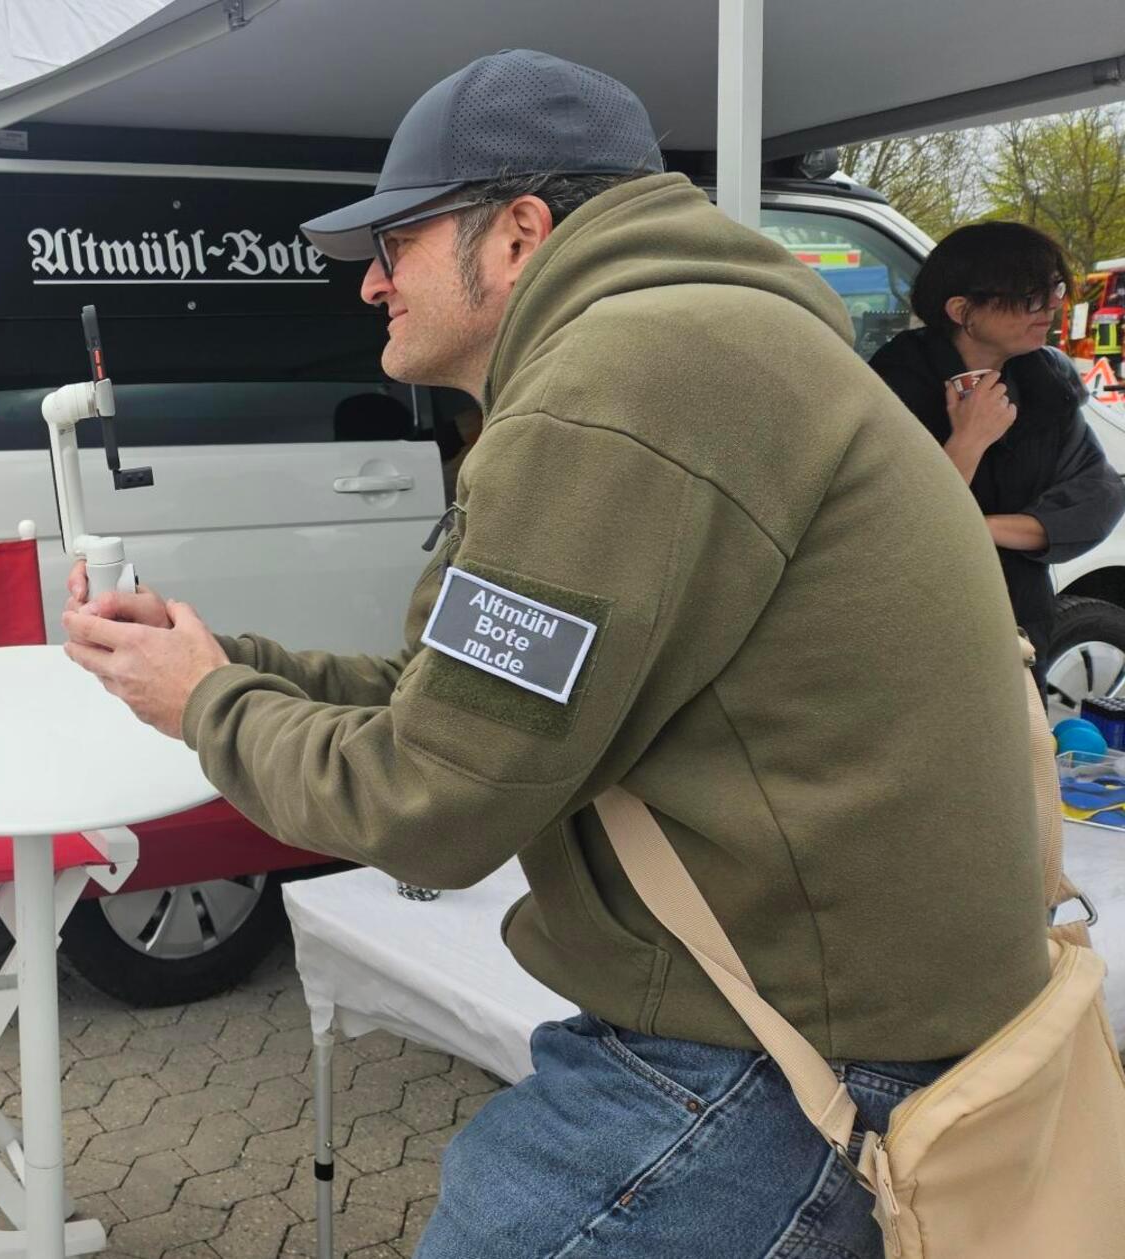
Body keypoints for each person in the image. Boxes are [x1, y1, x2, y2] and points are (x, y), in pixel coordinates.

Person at [61, 50, 1049, 1258]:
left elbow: (430, 806)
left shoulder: (616, 384)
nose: (369, 285)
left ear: (519, 232)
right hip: (827, 1019)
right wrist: (223, 661)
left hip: (778, 1061)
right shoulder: (694, 342)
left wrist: (207, 704)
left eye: (396, 244)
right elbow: (458, 702)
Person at [869, 221, 1124, 661]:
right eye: (1028, 296)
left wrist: (977, 528)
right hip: (919, 629)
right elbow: (892, 528)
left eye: (1055, 288)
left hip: (1021, 623)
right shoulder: (887, 390)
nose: (1050, 308)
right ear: (961, 310)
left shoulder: (1048, 381)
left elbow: (1095, 500)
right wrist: (969, 440)